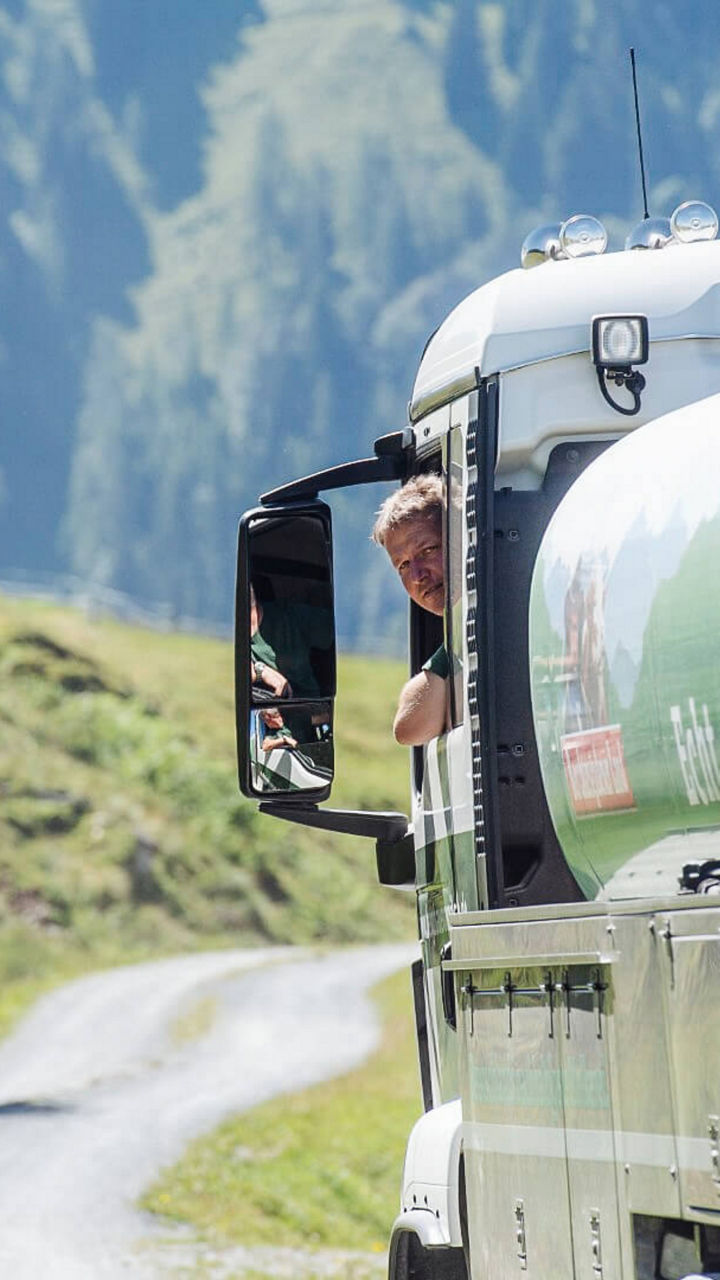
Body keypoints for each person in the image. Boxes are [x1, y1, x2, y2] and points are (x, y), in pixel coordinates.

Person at [372, 474, 449, 746]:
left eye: (428, 550)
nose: (417, 575)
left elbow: (410, 727)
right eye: (403, 565)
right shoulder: (459, 636)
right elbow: (408, 728)